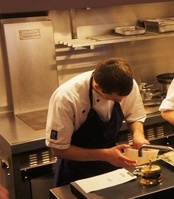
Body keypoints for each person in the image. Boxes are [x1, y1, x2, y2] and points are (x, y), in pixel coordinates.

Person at [45, 57, 149, 187]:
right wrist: (105, 155)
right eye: (116, 99)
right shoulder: (67, 98)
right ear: (97, 87)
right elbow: (58, 149)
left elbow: (134, 117)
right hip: (75, 172)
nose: (121, 102)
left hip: (112, 167)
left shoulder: (128, 85)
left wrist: (138, 135)